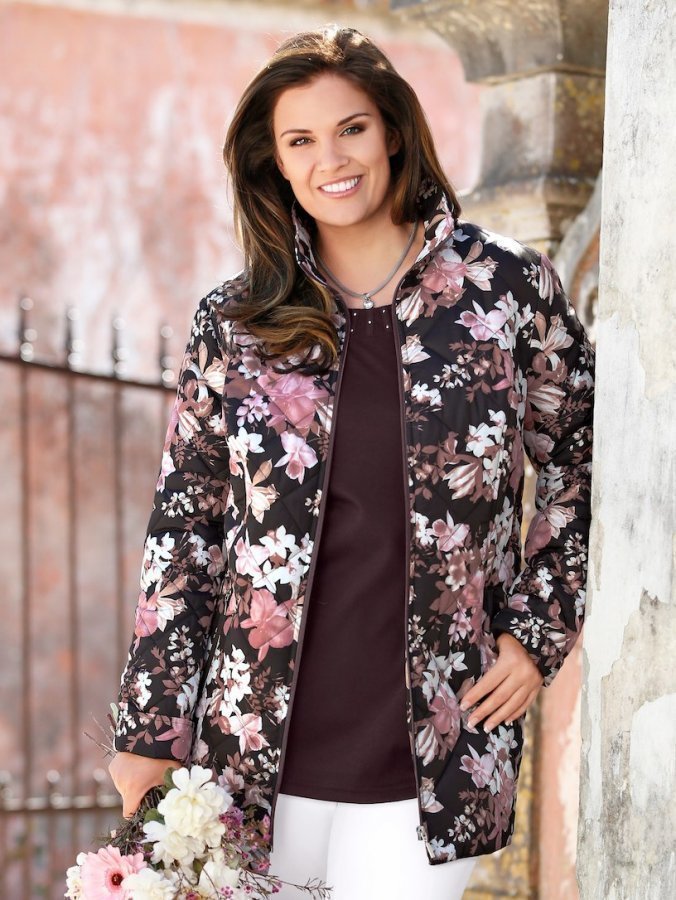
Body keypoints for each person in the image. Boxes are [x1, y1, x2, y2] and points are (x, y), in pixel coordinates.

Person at [108, 23, 595, 900]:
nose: (331, 159)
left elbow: (579, 467)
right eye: (300, 141)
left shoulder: (507, 290)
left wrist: (536, 634)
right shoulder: (237, 321)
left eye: (351, 128)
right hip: (250, 750)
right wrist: (149, 729)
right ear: (276, 163)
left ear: (394, 132)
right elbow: (185, 529)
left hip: (439, 745)